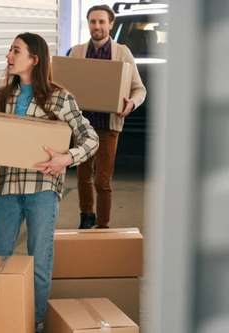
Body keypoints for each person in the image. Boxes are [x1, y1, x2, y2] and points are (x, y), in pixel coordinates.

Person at [0, 32, 99, 332]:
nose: (8, 56)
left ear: (34, 59)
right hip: (6, 191)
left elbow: (91, 139)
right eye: (10, 50)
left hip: (41, 191)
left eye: (16, 51)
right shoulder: (1, 97)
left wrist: (67, 158)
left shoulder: (61, 98)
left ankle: (35, 322)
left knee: (39, 262)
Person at [69, 5, 147, 229]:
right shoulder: (77, 52)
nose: (97, 26)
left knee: (102, 182)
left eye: (102, 22)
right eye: (93, 22)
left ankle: (103, 225)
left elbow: (139, 89)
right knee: (83, 177)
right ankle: (87, 215)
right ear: (88, 23)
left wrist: (131, 103)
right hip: (83, 127)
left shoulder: (122, 53)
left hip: (108, 127)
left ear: (111, 24)